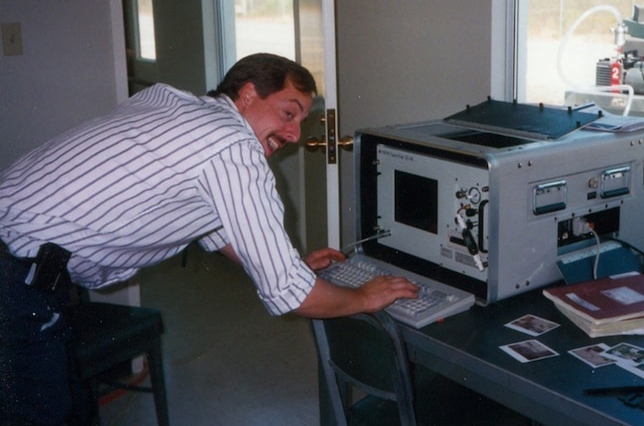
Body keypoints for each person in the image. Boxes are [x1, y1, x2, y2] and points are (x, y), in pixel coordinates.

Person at [0, 53, 419, 425]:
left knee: (67, 407)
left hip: (20, 265)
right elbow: (293, 296)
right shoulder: (233, 145)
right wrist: (365, 298)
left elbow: (214, 225)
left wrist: (284, 264)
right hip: (14, 282)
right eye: (288, 114)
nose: (294, 135)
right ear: (248, 93)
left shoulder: (169, 102)